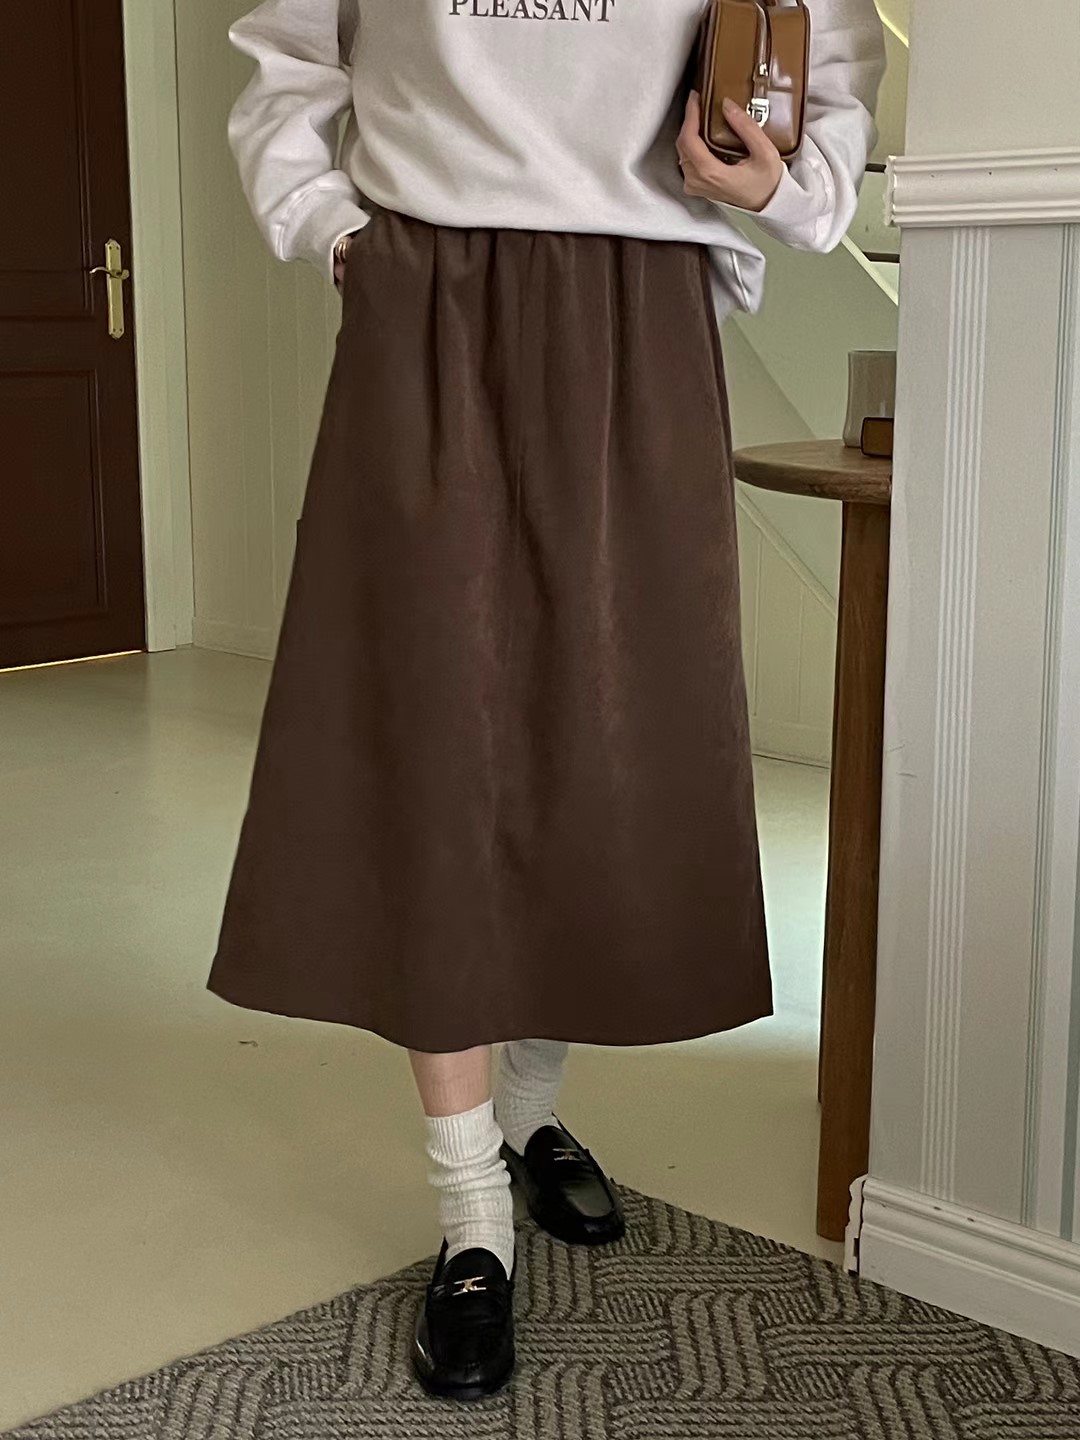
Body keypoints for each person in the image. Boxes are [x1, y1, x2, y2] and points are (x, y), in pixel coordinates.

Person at [209, 0, 886, 1402]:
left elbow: (825, 100)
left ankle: (527, 1116)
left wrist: (782, 185)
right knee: (434, 748)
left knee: (604, 747)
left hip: (647, 302)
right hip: (425, 289)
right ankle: (470, 1212)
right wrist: (335, 230)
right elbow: (286, 57)